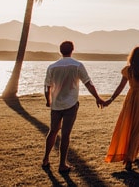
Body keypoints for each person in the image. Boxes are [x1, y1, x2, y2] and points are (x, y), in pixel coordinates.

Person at [42, 41, 104, 173]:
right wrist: (97, 97)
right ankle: (62, 164)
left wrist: (48, 101)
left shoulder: (52, 67)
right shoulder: (77, 65)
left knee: (53, 131)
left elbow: (47, 87)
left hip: (56, 105)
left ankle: (46, 159)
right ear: (72, 50)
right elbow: (88, 83)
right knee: (65, 134)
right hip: (71, 105)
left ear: (60, 51)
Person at [104, 46, 139, 171]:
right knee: (137, 129)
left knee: (127, 126)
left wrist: (111, 99)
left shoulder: (128, 70)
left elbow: (120, 87)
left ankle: (129, 156)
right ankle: (130, 157)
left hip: (130, 99)